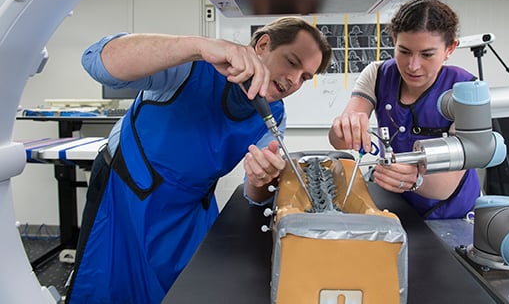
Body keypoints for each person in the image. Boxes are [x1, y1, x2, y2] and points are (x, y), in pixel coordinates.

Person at [66, 16, 332, 304]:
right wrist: (198, 46)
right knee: (109, 291)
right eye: (292, 62)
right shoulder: (191, 68)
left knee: (190, 291)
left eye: (305, 77)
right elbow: (97, 63)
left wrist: (260, 179)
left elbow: (253, 195)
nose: (294, 80)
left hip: (188, 213)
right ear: (263, 44)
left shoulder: (274, 115)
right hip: (125, 200)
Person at [328, 0, 480, 219]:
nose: (413, 66)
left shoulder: (466, 91)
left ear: (450, 49)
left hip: (451, 214)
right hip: (395, 206)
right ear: (393, 40)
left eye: (427, 54)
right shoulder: (377, 74)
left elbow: (446, 185)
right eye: (404, 51)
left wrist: (415, 178)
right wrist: (344, 128)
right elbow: (338, 140)